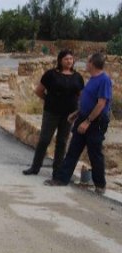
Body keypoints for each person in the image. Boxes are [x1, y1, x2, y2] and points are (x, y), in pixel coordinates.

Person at [45, 53, 112, 194]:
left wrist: (87, 121)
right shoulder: (93, 79)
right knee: (73, 150)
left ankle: (100, 185)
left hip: (96, 122)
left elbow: (101, 104)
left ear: (92, 64)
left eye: (87, 62)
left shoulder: (104, 80)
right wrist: (77, 114)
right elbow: (88, 99)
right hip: (83, 118)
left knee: (94, 153)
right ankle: (61, 179)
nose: (85, 64)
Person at [22, 50, 84, 176]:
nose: (69, 61)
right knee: (44, 139)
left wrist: (78, 109)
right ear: (60, 60)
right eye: (66, 59)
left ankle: (57, 170)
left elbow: (81, 95)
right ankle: (35, 167)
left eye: (71, 59)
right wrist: (48, 100)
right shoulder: (51, 74)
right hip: (51, 112)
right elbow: (39, 90)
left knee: (62, 141)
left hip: (69, 115)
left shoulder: (77, 77)